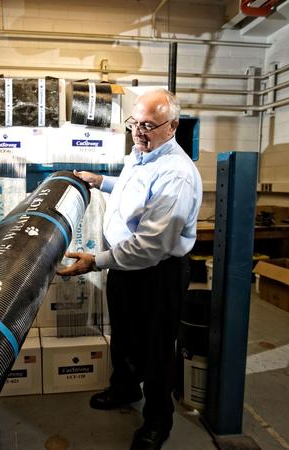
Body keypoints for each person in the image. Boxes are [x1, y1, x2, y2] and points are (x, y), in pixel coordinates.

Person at [57, 89, 202, 450]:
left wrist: (98, 261)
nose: (139, 132)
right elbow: (134, 192)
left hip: (157, 273)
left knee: (155, 348)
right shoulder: (141, 155)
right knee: (124, 335)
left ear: (173, 127)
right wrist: (101, 181)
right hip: (125, 266)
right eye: (135, 124)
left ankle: (157, 419)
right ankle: (123, 388)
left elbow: (150, 247)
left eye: (149, 126)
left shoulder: (177, 175)